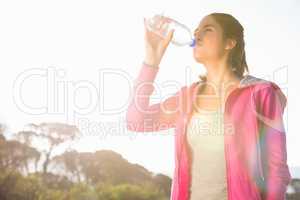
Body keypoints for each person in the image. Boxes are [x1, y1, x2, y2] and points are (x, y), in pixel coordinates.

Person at [126, 12, 292, 200]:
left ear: (230, 43)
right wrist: (152, 59)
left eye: (208, 29)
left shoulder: (260, 93)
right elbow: (136, 121)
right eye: (196, 31)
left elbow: (276, 170)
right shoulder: (187, 97)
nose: (197, 35)